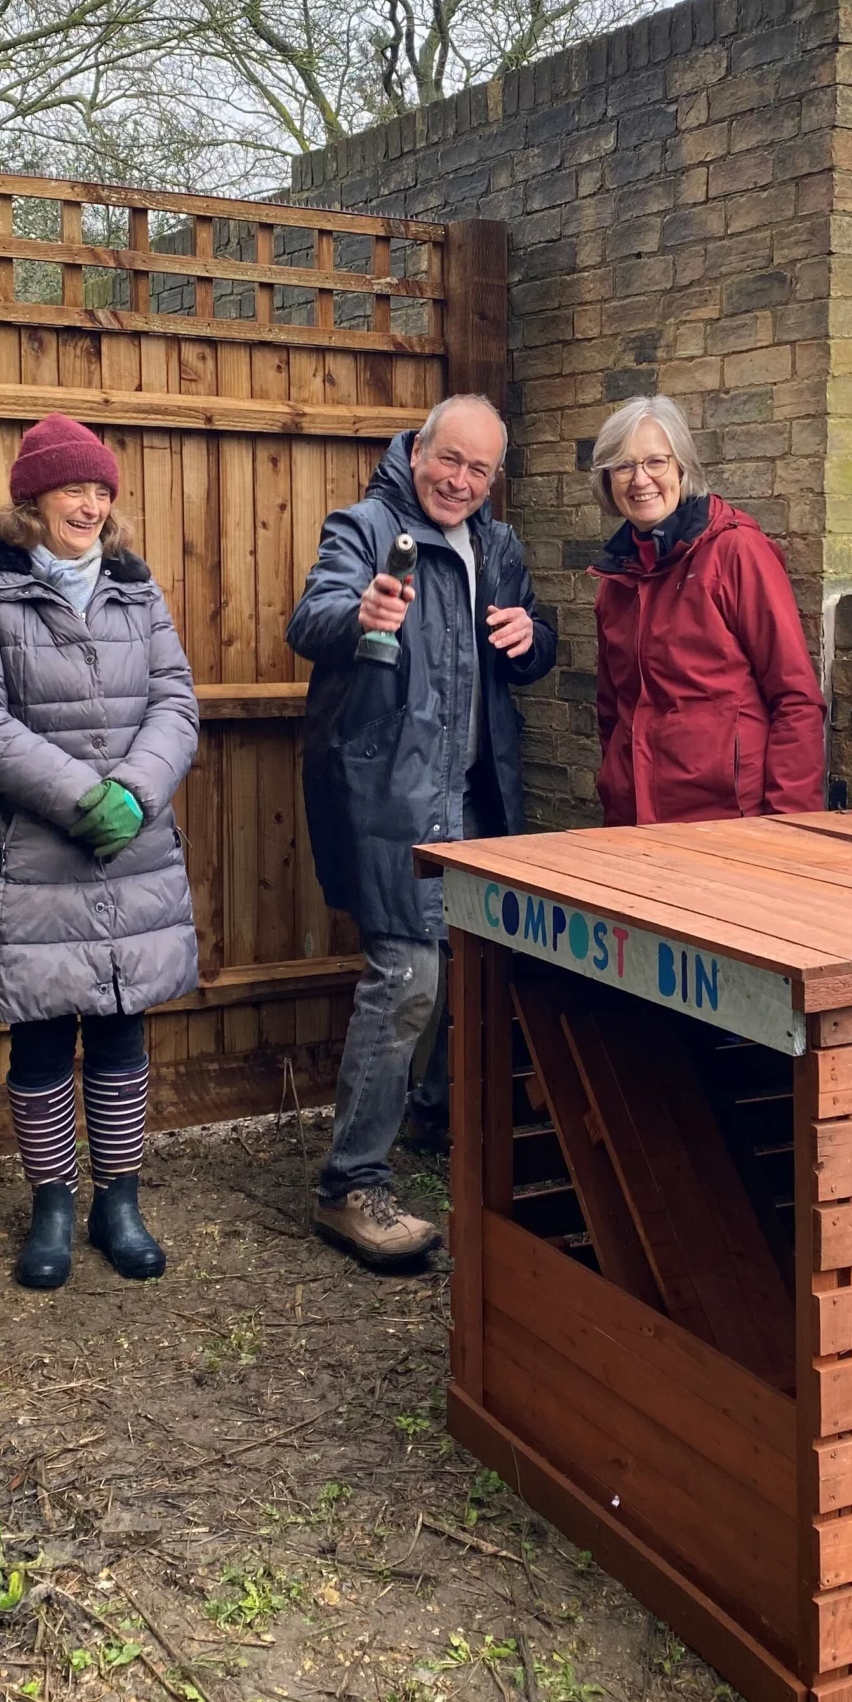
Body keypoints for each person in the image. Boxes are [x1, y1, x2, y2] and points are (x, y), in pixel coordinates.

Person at [289, 395, 556, 1268]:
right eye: (449, 460)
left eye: (480, 470)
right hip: (392, 793)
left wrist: (532, 638)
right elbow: (311, 621)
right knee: (405, 975)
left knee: (467, 972)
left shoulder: (500, 545)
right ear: (415, 451)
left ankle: (440, 1129)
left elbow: (533, 654)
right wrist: (361, 613)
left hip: (479, 796)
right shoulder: (364, 528)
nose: (460, 481)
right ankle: (349, 1186)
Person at [0, 415, 199, 1290]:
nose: (88, 505)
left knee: (122, 1029)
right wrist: (83, 799)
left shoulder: (138, 592)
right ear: (31, 500)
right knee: (43, 1037)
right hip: (29, 854)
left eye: (100, 491)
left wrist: (136, 791)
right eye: (71, 489)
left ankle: (118, 1201)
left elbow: (175, 701)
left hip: (134, 848)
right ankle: (51, 1205)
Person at [589, 393, 825, 825]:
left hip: (727, 821)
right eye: (623, 466)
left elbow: (796, 700)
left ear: (682, 467)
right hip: (634, 821)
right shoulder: (616, 582)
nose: (640, 479)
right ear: (607, 482)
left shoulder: (736, 553)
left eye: (655, 462)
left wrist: (792, 828)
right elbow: (612, 711)